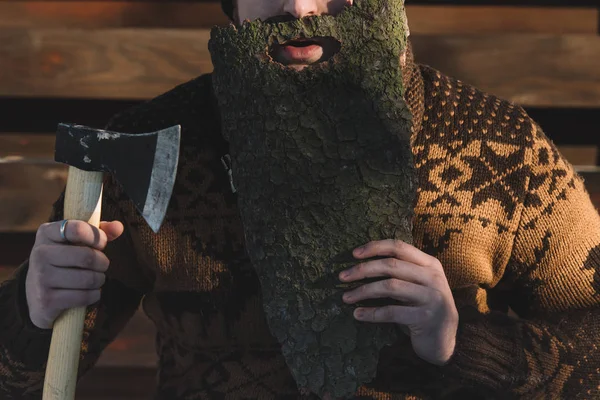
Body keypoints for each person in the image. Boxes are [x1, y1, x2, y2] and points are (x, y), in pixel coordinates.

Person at [1, 0, 599, 398]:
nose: (300, 5)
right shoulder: (151, 145)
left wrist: (458, 341)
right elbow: (23, 378)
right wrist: (31, 312)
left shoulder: (496, 145)